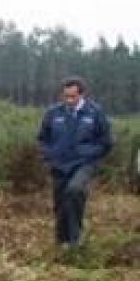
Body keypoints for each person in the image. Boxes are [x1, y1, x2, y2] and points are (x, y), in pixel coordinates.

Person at [37, 75, 114, 246]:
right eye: (66, 96)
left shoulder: (95, 113)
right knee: (60, 203)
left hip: (84, 164)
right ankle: (61, 243)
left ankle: (75, 239)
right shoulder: (53, 113)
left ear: (82, 95)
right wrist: (48, 155)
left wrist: (92, 155)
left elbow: (107, 141)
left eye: (73, 96)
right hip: (59, 164)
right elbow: (42, 138)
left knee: (74, 190)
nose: (69, 100)